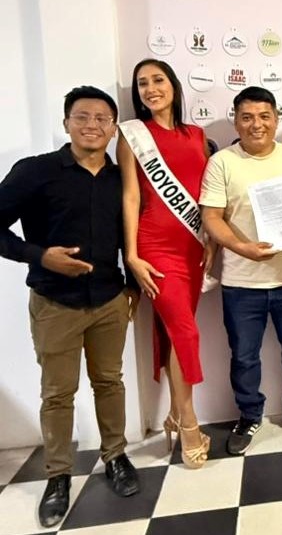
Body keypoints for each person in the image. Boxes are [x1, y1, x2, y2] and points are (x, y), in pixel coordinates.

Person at [0, 86, 140, 528]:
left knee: (110, 382)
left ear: (113, 128)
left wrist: (132, 286)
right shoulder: (36, 171)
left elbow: (132, 237)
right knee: (58, 394)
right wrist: (41, 256)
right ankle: (58, 476)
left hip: (110, 300)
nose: (92, 125)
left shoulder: (122, 178)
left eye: (102, 119)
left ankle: (115, 456)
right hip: (54, 302)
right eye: (82, 116)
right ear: (66, 123)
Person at [199, 86, 282, 455]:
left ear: (276, 119)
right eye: (248, 117)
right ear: (236, 121)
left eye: (264, 116)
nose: (257, 124)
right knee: (244, 356)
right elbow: (211, 217)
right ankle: (249, 415)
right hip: (241, 283)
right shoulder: (222, 162)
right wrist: (242, 248)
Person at [117, 59, 213, 469]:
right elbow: (130, 196)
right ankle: (189, 423)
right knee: (186, 332)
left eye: (158, 80)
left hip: (193, 246)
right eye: (142, 83)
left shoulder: (196, 135)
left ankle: (174, 412)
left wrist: (212, 239)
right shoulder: (132, 135)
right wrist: (132, 255)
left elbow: (206, 193)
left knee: (177, 333)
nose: (151, 89)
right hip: (155, 248)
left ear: (173, 85)